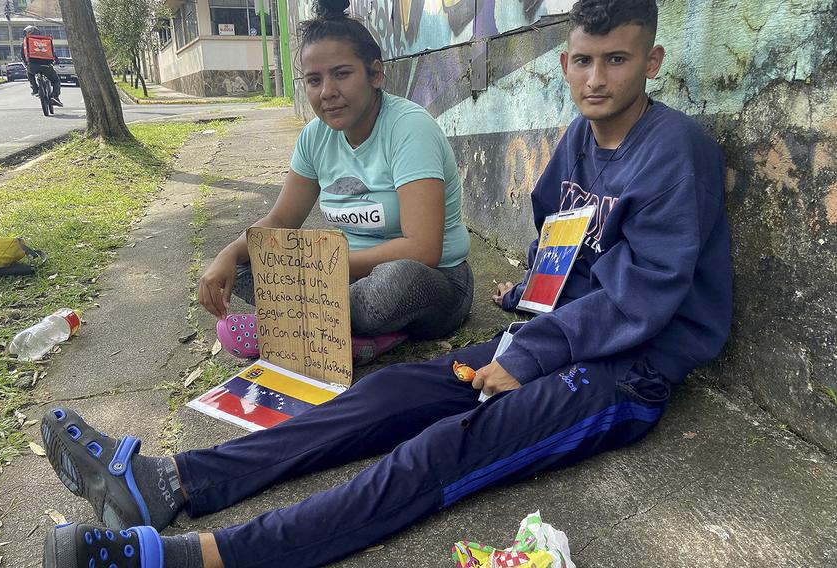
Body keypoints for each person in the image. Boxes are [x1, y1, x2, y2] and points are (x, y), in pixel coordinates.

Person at [38, 0, 732, 566]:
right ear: (565, 62)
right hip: (551, 336)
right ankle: (169, 481)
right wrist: (529, 298)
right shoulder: (579, 138)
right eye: (584, 60)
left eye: (617, 59)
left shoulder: (676, 149)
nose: (597, 78)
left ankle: (193, 556)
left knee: (441, 449)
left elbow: (645, 296)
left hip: (623, 374)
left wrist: (531, 355)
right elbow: (561, 238)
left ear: (653, 62)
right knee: (388, 393)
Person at [197, 0, 473, 366]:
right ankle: (348, 334)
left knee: (393, 282)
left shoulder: (409, 129)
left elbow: (423, 249)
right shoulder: (315, 137)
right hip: (343, 283)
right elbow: (279, 223)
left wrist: (325, 269)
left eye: (341, 74)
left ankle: (293, 329)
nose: (326, 91)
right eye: (314, 80)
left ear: (375, 74)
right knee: (252, 260)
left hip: (435, 284)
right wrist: (228, 254)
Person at [21, 25, 63, 107]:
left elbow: (23, 56)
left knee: (29, 73)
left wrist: (27, 64)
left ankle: (35, 89)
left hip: (32, 65)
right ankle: (55, 96)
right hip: (46, 65)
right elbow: (52, 53)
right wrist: (56, 60)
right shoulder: (45, 41)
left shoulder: (25, 42)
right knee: (55, 81)